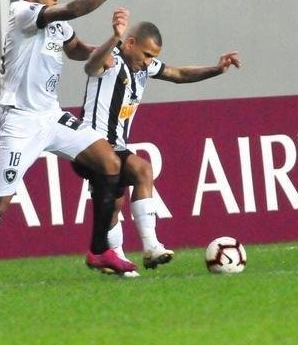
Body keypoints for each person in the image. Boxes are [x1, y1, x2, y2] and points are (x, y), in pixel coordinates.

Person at [0, 0, 152, 289]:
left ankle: (98, 250)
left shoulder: (57, 25)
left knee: (109, 162)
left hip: (51, 116)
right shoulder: (21, 12)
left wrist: (99, 50)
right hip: (18, 119)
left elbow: (75, 49)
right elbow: (74, 9)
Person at [74, 20, 241, 270]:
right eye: (146, 54)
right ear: (130, 44)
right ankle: (151, 246)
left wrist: (217, 69)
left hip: (114, 145)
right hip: (92, 144)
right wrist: (114, 37)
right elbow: (91, 65)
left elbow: (179, 74)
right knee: (143, 170)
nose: (148, 60)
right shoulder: (112, 61)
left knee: (113, 204)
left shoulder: (144, 68)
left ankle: (117, 262)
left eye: (153, 56)